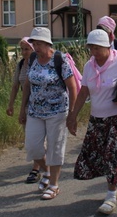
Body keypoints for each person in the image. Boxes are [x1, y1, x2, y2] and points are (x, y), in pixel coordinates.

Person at [67, 29, 117, 215]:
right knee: (99, 155)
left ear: (108, 46)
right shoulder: (89, 66)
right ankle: (114, 186)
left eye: (98, 48)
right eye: (91, 47)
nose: (94, 51)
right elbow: (84, 91)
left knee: (113, 154)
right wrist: (73, 115)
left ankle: (110, 195)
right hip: (97, 119)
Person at [19, 27, 78, 200]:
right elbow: (27, 85)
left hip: (57, 111)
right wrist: (23, 108)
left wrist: (72, 114)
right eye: (34, 44)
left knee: (55, 147)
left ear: (47, 44)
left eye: (38, 44)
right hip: (35, 111)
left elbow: (72, 88)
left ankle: (53, 184)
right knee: (32, 146)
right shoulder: (33, 60)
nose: (35, 47)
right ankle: (46, 171)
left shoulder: (60, 60)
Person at [6, 37, 42, 184]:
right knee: (29, 137)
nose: (24, 52)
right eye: (22, 49)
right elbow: (15, 85)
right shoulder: (21, 64)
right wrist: (11, 105)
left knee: (37, 138)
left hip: (40, 105)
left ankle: (37, 168)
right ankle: (42, 162)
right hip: (26, 105)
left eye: (27, 49)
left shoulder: (38, 63)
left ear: (33, 49)